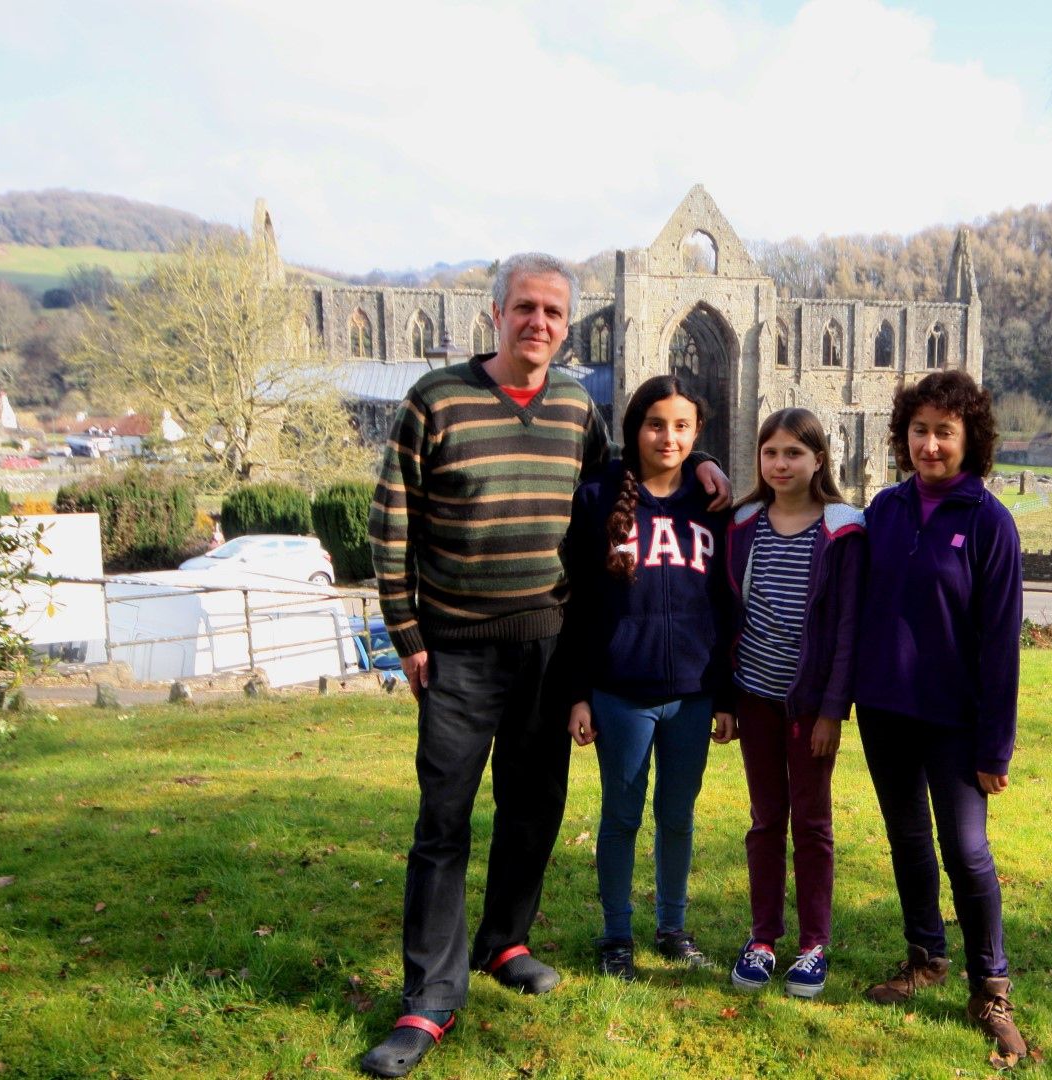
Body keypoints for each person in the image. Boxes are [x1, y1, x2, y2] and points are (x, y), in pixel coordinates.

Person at [361, 254, 730, 1078]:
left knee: (533, 808)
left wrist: (700, 467)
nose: (538, 322)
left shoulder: (573, 406)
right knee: (444, 822)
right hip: (456, 646)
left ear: (569, 326)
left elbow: (617, 486)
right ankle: (429, 996)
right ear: (497, 314)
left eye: (553, 313)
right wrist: (407, 634)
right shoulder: (436, 400)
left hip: (547, 642)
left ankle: (505, 942)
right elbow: (391, 521)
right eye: (524, 307)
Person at [854, 370, 1029, 1062]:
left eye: (944, 433)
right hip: (886, 710)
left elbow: (1001, 644)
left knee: (967, 849)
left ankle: (991, 987)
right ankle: (925, 956)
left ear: (970, 440)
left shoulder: (989, 523)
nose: (930, 445)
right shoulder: (885, 510)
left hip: (957, 721)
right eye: (920, 431)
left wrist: (997, 746)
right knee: (908, 840)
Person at [562, 375, 735, 981]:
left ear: (697, 434)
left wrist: (727, 695)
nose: (668, 436)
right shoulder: (597, 500)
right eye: (655, 424)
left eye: (682, 426)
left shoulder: (714, 507)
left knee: (678, 816)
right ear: (634, 428)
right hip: (620, 692)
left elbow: (727, 603)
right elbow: (578, 604)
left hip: (693, 693)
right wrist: (579, 692)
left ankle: (672, 926)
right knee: (622, 815)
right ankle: (616, 935)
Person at [724, 408, 865, 999]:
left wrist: (833, 710)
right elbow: (729, 616)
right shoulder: (742, 525)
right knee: (764, 821)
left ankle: (813, 945)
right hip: (754, 696)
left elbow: (847, 629)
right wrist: (727, 698)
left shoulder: (841, 532)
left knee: (811, 822)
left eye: (794, 454)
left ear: (818, 460)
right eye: (771, 453)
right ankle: (763, 938)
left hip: (809, 706)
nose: (781, 464)